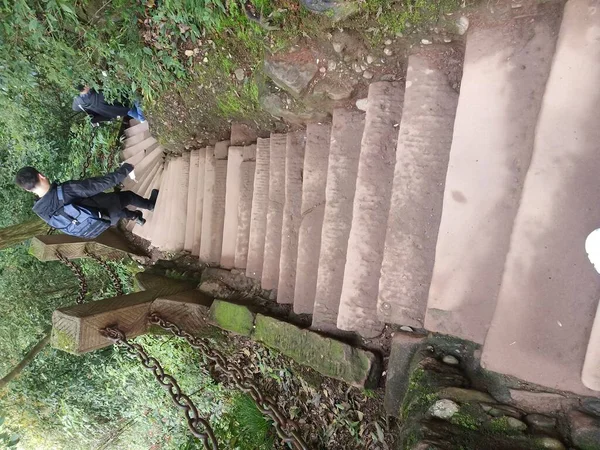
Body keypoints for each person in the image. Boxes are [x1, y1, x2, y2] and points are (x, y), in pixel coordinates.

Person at [15, 164, 158, 238]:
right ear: (41, 176)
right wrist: (125, 169)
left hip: (96, 224)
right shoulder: (65, 190)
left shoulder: (40, 211)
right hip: (104, 208)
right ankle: (150, 205)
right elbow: (100, 184)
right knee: (128, 197)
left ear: (27, 190)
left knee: (118, 212)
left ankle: (136, 217)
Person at [72, 85, 146, 126]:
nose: (89, 85)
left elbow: (74, 108)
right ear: (85, 87)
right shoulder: (98, 95)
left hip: (115, 112)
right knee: (136, 98)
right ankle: (142, 118)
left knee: (130, 111)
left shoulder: (81, 101)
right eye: (87, 84)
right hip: (121, 105)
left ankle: (142, 119)